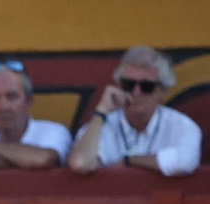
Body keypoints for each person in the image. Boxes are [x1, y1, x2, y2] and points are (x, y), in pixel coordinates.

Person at [69, 46, 201, 177]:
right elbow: (80, 164)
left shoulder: (181, 126)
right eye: (129, 85)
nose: (136, 92)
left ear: (163, 92)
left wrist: (129, 161)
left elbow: (185, 161)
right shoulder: (104, 125)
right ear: (119, 86)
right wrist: (101, 111)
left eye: (146, 87)